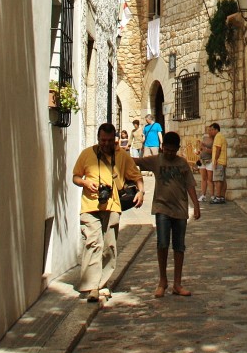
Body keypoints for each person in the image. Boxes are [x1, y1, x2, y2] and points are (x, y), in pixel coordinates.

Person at [72, 122, 144, 302]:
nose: (106, 144)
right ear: (98, 139)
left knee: (109, 246)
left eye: (110, 141)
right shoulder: (87, 154)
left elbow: (136, 176)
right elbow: (75, 177)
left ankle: (101, 284)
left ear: (115, 140)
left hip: (112, 205)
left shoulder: (122, 156)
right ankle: (91, 286)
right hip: (90, 205)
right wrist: (86, 183)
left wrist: (141, 192)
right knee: (93, 243)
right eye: (103, 140)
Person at [136, 131, 200, 297]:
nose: (170, 153)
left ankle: (177, 283)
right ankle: (162, 281)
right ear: (163, 147)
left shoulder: (183, 164)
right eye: (167, 150)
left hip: (180, 209)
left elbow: (190, 186)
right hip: (161, 208)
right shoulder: (156, 160)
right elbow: (136, 162)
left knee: (179, 246)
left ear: (177, 149)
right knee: (162, 244)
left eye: (173, 150)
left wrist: (197, 206)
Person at [208, 122, 228, 204]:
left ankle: (218, 197)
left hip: (219, 161)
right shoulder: (221, 136)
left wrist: (215, 160)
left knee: (218, 180)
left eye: (212, 130)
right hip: (222, 161)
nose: (211, 131)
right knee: (222, 180)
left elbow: (218, 149)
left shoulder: (218, 136)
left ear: (216, 129)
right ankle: (222, 196)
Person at [196, 131, 213, 203]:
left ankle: (212, 196)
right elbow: (200, 149)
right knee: (203, 179)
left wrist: (205, 148)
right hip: (202, 160)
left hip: (209, 160)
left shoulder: (214, 139)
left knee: (210, 179)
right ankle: (203, 195)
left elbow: (213, 151)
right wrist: (199, 148)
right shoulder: (203, 138)